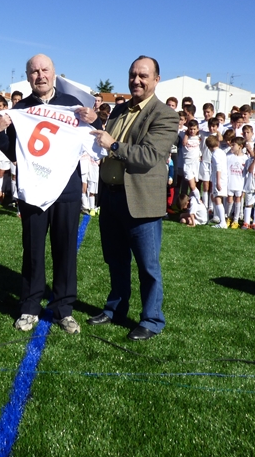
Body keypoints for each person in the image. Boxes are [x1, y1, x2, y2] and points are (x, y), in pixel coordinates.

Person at [0, 54, 98, 335]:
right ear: (28, 77)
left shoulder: (74, 107)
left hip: (66, 190)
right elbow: (13, 152)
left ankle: (63, 309)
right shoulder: (20, 109)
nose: (40, 75)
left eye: (45, 70)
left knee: (65, 250)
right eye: (34, 71)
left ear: (54, 73)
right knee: (33, 250)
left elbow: (96, 141)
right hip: (34, 191)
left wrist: (96, 120)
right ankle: (29, 306)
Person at [87, 55, 179, 341]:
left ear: (156, 80)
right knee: (115, 260)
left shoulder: (165, 114)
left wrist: (113, 144)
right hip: (112, 197)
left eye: (143, 75)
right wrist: (95, 124)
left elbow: (150, 156)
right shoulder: (118, 110)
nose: (136, 80)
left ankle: (152, 320)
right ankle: (115, 309)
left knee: (147, 266)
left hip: (141, 202)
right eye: (132, 75)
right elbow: (103, 140)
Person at [207, 135, 228, 228]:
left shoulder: (215, 155)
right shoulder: (221, 152)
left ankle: (222, 222)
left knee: (218, 199)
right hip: (222, 178)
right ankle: (218, 217)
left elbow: (218, 168)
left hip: (219, 179)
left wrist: (218, 182)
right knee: (215, 198)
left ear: (209, 147)